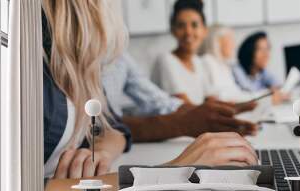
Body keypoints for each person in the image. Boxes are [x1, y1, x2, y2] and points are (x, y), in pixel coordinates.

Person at [42, 0, 258, 179]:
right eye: (182, 25)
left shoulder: (81, 63)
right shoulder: (38, 74)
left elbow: (112, 126)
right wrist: (171, 172)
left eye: (195, 25)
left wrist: (103, 149)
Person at [103, 52, 258, 142]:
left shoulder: (119, 55)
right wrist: (185, 122)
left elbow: (159, 101)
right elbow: (98, 127)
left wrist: (216, 112)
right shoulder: (167, 60)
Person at [151, 0, 212, 105]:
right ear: (173, 30)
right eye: (180, 26)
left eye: (194, 25)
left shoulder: (198, 62)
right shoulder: (165, 60)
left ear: (204, 30)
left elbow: (210, 99)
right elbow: (185, 108)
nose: (188, 32)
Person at [200, 24, 256, 102]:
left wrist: (259, 96)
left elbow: (236, 93)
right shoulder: (207, 61)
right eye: (230, 40)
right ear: (217, 42)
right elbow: (219, 96)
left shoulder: (224, 65)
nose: (234, 45)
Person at [233, 31, 289, 105]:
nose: (266, 54)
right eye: (260, 49)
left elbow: (278, 86)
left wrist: (279, 91)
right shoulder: (237, 70)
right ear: (249, 52)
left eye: (267, 49)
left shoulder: (262, 71)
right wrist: (269, 92)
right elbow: (249, 94)